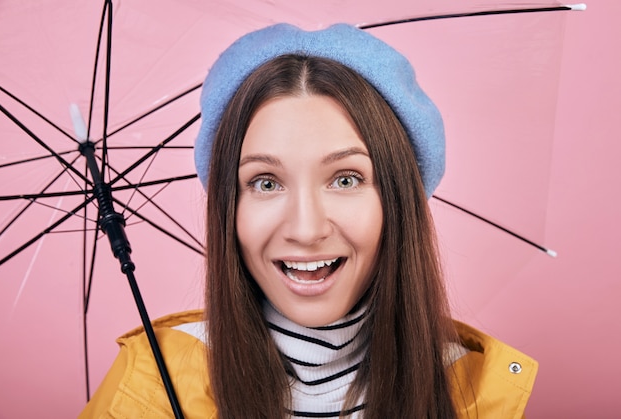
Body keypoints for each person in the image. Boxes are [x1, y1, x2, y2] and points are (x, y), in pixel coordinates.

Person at [80, 23, 538, 418]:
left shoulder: (476, 396)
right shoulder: (151, 387)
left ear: (397, 201)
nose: (305, 229)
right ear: (228, 207)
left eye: (345, 179)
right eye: (264, 182)